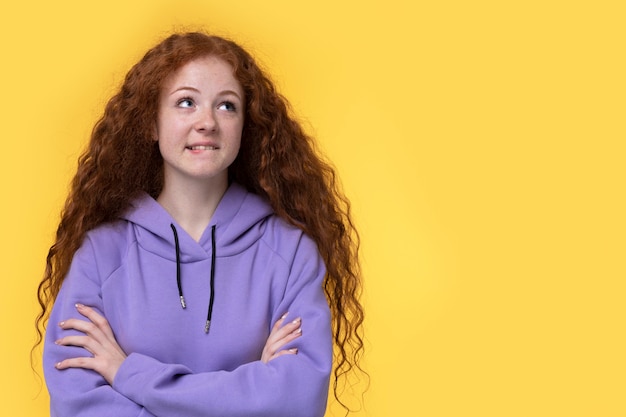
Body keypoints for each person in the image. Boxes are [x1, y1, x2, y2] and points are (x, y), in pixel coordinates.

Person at [34, 32, 364, 417]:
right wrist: (254, 385)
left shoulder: (290, 252)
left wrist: (129, 373)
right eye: (186, 102)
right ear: (152, 124)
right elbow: (78, 406)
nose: (206, 121)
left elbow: (297, 401)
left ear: (246, 126)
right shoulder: (100, 255)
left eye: (227, 106)